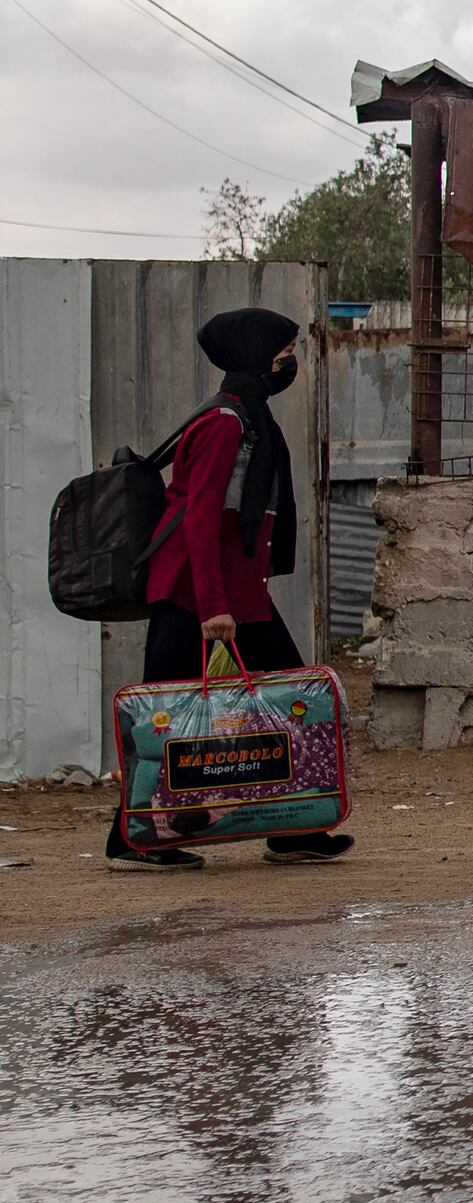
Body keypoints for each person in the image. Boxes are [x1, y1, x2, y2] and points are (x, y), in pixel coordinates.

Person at [105, 309, 356, 871]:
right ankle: (132, 839)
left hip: (238, 593)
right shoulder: (224, 423)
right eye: (282, 351)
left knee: (293, 701)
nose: (288, 362)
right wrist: (213, 607)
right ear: (254, 355)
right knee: (158, 717)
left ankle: (297, 826)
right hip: (192, 593)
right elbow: (199, 520)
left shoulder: (248, 416)